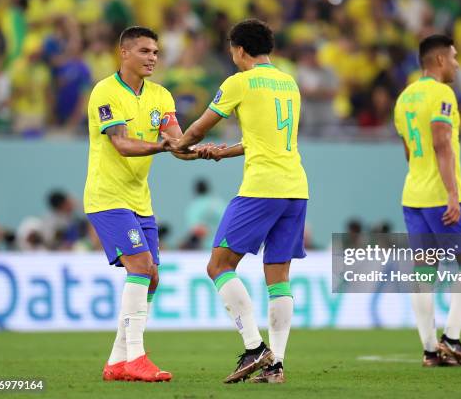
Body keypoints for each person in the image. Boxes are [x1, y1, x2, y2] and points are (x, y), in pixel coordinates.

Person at [163, 19, 309, 384]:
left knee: (218, 265)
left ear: (240, 50)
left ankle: (254, 347)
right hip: (295, 188)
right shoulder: (289, 82)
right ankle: (275, 366)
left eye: (232, 51)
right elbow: (265, 140)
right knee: (278, 277)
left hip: (262, 187)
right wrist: (223, 153)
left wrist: (178, 147)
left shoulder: (239, 82)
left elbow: (199, 127)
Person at [84, 26, 200, 383]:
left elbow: (175, 141)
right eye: (145, 51)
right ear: (124, 53)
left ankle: (117, 361)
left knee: (150, 277)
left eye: (156, 52)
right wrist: (166, 146)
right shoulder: (105, 92)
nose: (153, 57)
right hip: (108, 197)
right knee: (140, 263)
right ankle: (137, 356)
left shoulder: (162, 96)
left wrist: (198, 149)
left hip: (140, 200)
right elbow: (121, 143)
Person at [394, 35, 461, 367]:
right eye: (455, 57)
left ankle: (431, 350)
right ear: (441, 60)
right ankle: (452, 337)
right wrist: (450, 193)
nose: (458, 63)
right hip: (442, 195)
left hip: (413, 196)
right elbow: (442, 142)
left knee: (424, 271)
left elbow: (408, 151)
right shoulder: (442, 93)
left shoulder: (403, 99)